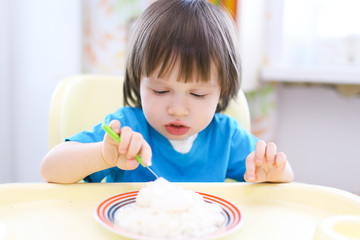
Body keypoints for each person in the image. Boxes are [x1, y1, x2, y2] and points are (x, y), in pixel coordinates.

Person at [40, 0, 294, 184]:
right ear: (138, 82)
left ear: (223, 91)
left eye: (198, 95)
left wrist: (274, 173)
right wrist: (103, 155)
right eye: (161, 91)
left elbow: (286, 177)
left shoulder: (226, 137)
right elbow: (50, 168)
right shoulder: (127, 130)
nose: (177, 109)